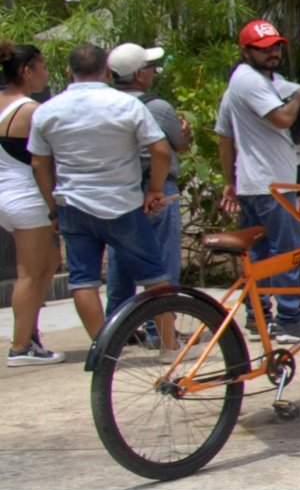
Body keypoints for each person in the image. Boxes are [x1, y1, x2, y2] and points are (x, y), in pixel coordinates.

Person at [28, 44, 174, 344]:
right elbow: (160, 151)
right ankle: (170, 347)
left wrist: (52, 209)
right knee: (155, 279)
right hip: (124, 204)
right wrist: (155, 189)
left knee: (84, 282)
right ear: (107, 71)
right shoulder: (128, 106)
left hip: (73, 206)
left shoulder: (46, 111)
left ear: (69, 72)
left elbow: (39, 164)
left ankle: (103, 349)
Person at [216, 21, 300, 343]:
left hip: (257, 181)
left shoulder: (269, 82)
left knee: (259, 256)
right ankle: (289, 320)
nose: (273, 53)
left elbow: (225, 136)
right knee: (287, 253)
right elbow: (282, 117)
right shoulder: (247, 81)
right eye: (264, 48)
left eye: (276, 46)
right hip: (271, 184)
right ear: (246, 51)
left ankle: (259, 319)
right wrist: (298, 99)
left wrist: (230, 180)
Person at [105, 43, 191, 328]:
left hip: (121, 190)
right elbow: (178, 146)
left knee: (120, 260)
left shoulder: (106, 105)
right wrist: (185, 134)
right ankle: (160, 327)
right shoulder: (157, 106)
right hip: (157, 188)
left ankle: (119, 326)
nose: (155, 71)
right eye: (151, 67)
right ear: (140, 75)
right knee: (163, 259)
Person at [1, 40, 65, 366]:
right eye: (43, 67)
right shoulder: (32, 111)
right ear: (27, 71)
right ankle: (21, 346)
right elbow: (46, 161)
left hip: (5, 197)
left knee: (51, 259)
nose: (47, 73)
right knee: (28, 273)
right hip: (27, 197)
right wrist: (54, 208)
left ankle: (30, 335)